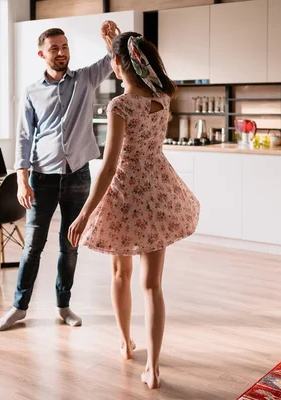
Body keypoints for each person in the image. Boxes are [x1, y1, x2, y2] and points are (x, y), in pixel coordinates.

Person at [67, 32, 200, 389]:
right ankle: (153, 369)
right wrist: (117, 43)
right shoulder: (162, 97)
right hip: (159, 193)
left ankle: (126, 343)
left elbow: (109, 166)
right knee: (152, 285)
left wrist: (84, 213)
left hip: (126, 197)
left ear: (116, 65)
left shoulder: (120, 106)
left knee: (120, 275)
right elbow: (132, 59)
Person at [0, 21, 121, 331]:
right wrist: (22, 179)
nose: (62, 53)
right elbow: (24, 138)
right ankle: (18, 307)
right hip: (42, 178)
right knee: (33, 246)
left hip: (78, 176)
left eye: (65, 47)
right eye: (55, 49)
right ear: (42, 54)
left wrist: (112, 41)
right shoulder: (32, 92)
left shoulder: (86, 79)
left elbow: (112, 62)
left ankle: (64, 306)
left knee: (70, 245)